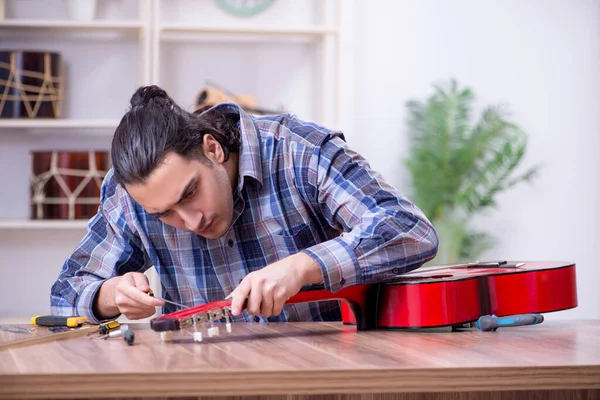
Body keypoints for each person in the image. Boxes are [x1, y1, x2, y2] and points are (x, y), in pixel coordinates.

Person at [50, 85, 439, 324]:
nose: (190, 220)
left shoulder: (298, 151)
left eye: (189, 193)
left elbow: (408, 228)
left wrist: (304, 266)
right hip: (199, 382)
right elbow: (66, 292)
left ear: (212, 148)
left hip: (326, 375)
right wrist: (111, 294)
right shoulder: (127, 194)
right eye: (163, 214)